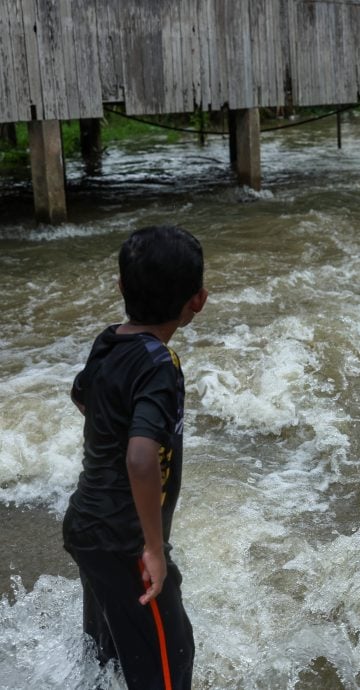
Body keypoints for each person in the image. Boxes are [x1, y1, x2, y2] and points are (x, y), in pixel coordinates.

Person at [63, 225, 207, 689]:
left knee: (109, 657)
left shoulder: (110, 340)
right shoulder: (159, 366)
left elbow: (82, 394)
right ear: (197, 301)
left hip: (88, 526)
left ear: (122, 287)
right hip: (126, 542)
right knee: (171, 664)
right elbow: (142, 459)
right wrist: (152, 549)